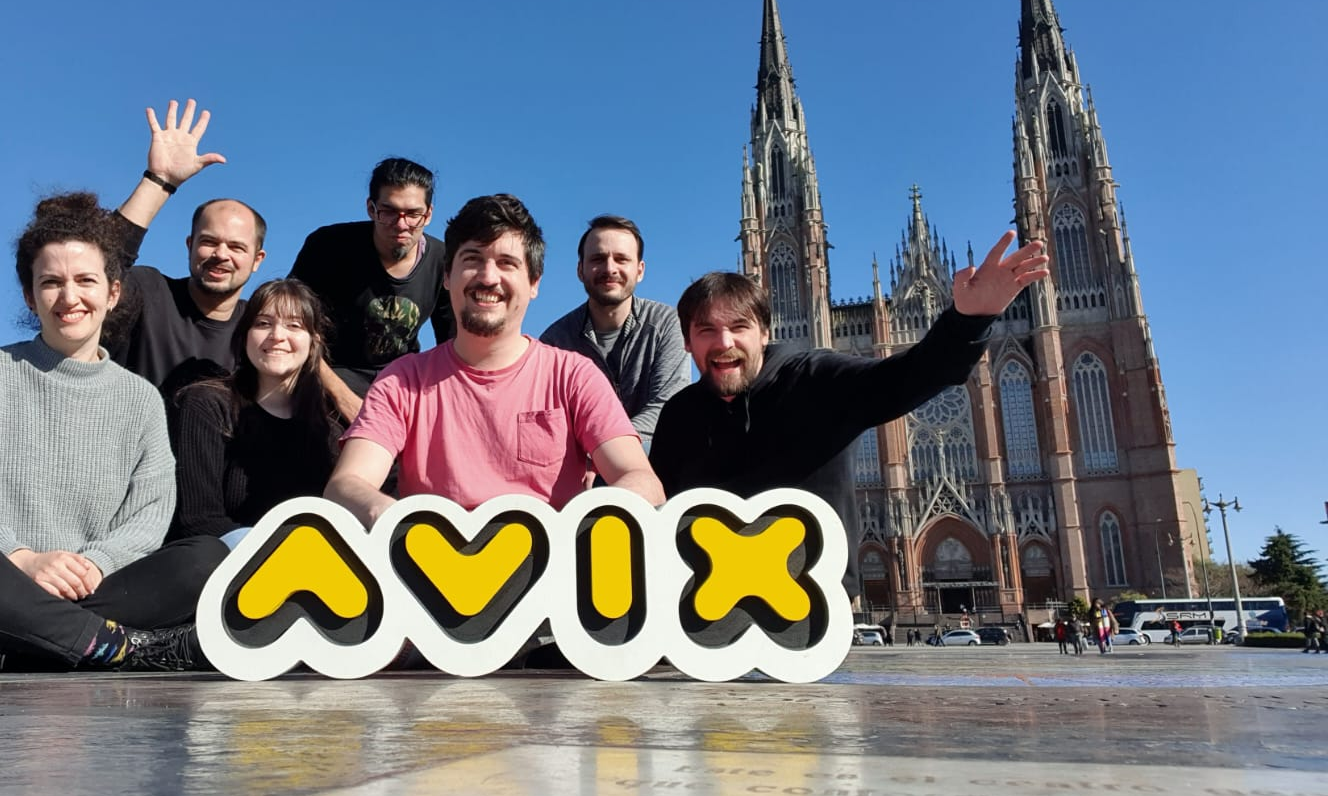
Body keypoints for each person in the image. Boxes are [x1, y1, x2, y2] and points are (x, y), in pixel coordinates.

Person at [0, 192, 228, 675]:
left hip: (88, 586)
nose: (69, 298)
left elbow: (149, 516)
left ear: (113, 292)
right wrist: (22, 560)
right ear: (29, 295)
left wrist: (93, 564)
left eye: (86, 280)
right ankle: (126, 649)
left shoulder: (142, 398)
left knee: (206, 557)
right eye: (51, 283)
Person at [648, 232, 1049, 592]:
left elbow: (908, 379)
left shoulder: (815, 378)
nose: (724, 342)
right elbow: (657, 510)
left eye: (739, 327)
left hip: (807, 603)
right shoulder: (680, 413)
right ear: (687, 343)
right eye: (706, 331)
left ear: (765, 333)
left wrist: (969, 321)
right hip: (707, 601)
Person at [326, 194, 664, 528]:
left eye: (507, 263)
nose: (488, 277)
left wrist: (589, 525)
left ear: (534, 283)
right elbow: (346, 485)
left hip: (551, 572)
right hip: (431, 568)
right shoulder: (402, 380)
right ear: (447, 277)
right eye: (472, 259)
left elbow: (642, 481)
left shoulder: (573, 376)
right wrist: (387, 515)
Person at [102, 100, 268, 393]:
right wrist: (159, 181)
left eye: (237, 247)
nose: (221, 255)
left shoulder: (259, 328)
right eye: (209, 242)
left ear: (257, 259)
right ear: (190, 245)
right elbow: (95, 265)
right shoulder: (148, 291)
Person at [167, 279, 343, 548]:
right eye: (263, 323)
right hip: (221, 568)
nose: (277, 335)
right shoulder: (205, 405)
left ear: (313, 343)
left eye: (294, 325)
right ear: (245, 335)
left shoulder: (329, 434)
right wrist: (276, 557)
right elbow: (198, 521)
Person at [289, 157, 456, 421]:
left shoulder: (444, 260)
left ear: (429, 214)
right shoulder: (327, 247)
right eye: (389, 211)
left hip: (403, 381)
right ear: (370, 208)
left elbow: (453, 344)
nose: (401, 224)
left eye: (413, 214)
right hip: (329, 373)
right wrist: (342, 397)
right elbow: (290, 325)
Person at [540, 215, 691, 450]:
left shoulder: (666, 323)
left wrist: (606, 452)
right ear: (580, 270)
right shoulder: (555, 342)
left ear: (640, 270)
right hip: (582, 468)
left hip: (652, 459)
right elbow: (554, 421)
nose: (610, 268)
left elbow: (667, 406)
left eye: (621, 259)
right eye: (598, 259)